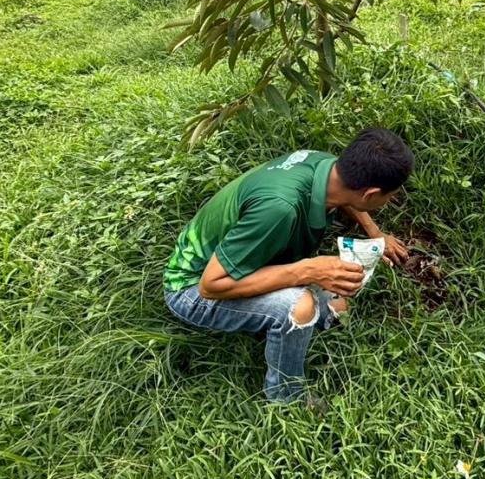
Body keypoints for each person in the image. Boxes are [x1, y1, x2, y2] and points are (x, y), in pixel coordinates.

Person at [163, 128, 413, 405]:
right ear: (371, 194)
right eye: (390, 196)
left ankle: (275, 321)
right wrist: (308, 271)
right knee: (299, 307)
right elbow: (210, 286)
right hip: (190, 289)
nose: (389, 202)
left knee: (338, 306)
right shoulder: (279, 208)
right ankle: (287, 398)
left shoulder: (327, 167)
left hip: (235, 262)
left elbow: (349, 197)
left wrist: (375, 232)